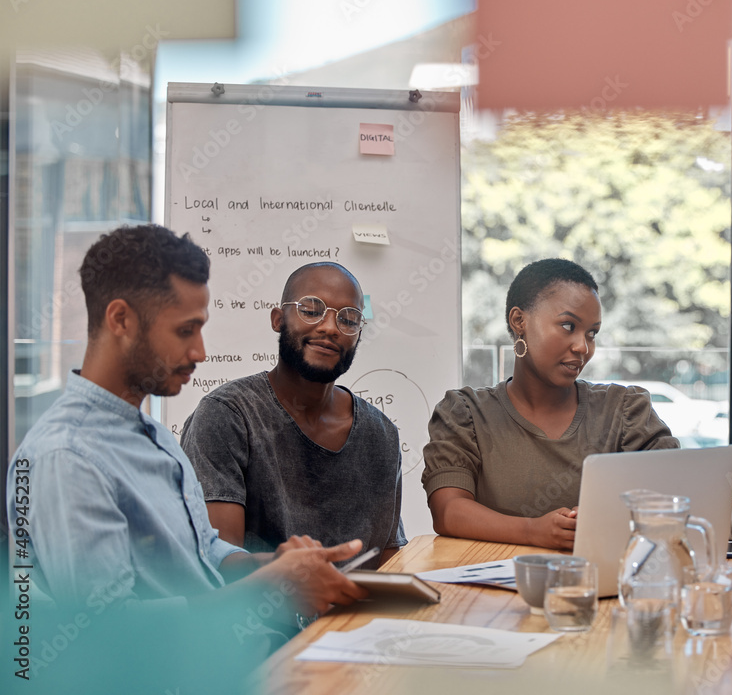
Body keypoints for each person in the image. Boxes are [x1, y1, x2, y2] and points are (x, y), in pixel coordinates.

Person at [6, 224, 368, 616]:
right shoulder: (67, 458)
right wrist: (267, 588)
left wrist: (279, 567)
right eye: (185, 331)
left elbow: (203, 553)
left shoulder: (152, 435)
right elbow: (109, 632)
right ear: (121, 320)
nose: (199, 352)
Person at [422, 258, 680, 550]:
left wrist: (614, 516)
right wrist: (533, 531)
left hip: (601, 586)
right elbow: (448, 512)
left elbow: (675, 495)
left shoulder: (625, 410)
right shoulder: (465, 413)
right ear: (519, 321)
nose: (583, 347)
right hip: (487, 588)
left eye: (591, 333)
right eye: (568, 326)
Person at [181, 262, 405, 568]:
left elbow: (388, 559)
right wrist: (294, 574)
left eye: (348, 319)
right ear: (277, 319)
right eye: (311, 311)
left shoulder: (381, 435)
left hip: (357, 614)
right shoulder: (227, 416)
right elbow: (218, 561)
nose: (329, 327)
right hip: (260, 612)